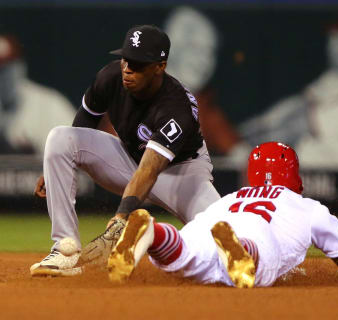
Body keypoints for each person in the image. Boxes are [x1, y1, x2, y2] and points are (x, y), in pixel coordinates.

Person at [30, 25, 221, 276]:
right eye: (126, 59)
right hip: (129, 161)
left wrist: (120, 219)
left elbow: (150, 169)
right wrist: (58, 168)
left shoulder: (177, 107)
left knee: (225, 235)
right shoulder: (110, 77)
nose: (128, 69)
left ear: (159, 67)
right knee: (59, 137)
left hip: (182, 175)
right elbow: (83, 124)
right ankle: (64, 250)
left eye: (138, 64)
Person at [107, 141, 338, 288]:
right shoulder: (309, 208)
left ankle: (154, 233)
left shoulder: (232, 196)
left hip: (212, 221)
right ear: (294, 175)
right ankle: (243, 250)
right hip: (256, 232)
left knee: (186, 257)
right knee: (255, 269)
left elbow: (206, 220)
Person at [200, 12, 338, 171]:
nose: (336, 46)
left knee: (286, 146)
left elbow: (299, 125)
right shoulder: (336, 78)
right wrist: (240, 134)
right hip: (317, 173)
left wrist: (238, 146)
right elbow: (292, 108)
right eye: (334, 38)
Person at [0, 33, 77, 154]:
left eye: (11, 68)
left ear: (22, 67)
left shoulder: (51, 105)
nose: (7, 77)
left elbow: (75, 155)